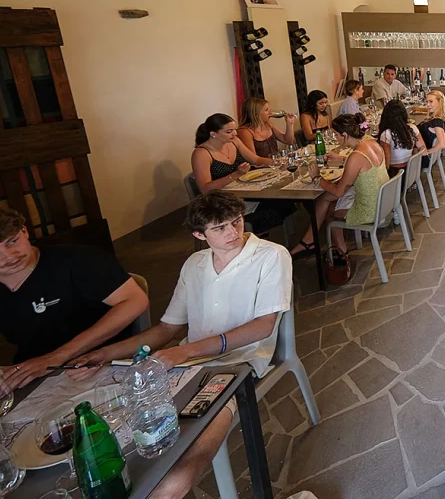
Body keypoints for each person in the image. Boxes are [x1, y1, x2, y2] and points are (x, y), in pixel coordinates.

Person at [70, 191, 292, 499]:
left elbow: (263, 326)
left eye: (236, 221)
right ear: (199, 234)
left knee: (181, 468)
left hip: (235, 367)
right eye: (220, 228)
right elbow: (167, 328)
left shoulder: (270, 255)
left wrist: (185, 351)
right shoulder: (195, 264)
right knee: (120, 423)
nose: (233, 233)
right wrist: (103, 353)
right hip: (187, 364)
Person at [0, 205, 149, 390]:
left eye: (12, 241)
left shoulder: (79, 261)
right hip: (34, 371)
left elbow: (135, 301)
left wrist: (56, 356)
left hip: (101, 361)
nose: (10, 256)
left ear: (24, 231)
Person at [190, 114, 298, 242]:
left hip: (246, 193)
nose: (235, 134)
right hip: (222, 201)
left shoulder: (234, 142)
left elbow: (255, 159)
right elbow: (205, 189)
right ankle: (255, 241)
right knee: (273, 208)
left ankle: (262, 239)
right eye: (229, 131)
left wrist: (278, 162)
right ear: (213, 134)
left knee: (285, 200)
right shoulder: (201, 153)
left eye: (234, 129)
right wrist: (236, 174)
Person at [315, 113, 389, 284]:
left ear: (345, 135)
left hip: (369, 210)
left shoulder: (356, 156)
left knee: (330, 213)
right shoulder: (371, 142)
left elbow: (339, 191)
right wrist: (341, 158)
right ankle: (311, 241)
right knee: (327, 199)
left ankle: (342, 253)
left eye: (336, 134)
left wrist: (317, 178)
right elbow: (361, 163)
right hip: (382, 202)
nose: (335, 138)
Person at [377, 99, 423, 175]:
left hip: (396, 174)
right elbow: (422, 149)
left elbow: (386, 165)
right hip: (411, 171)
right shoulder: (412, 128)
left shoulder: (386, 134)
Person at [417, 90, 445, 167]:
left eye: (431, 102)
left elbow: (442, 144)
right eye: (427, 102)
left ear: (439, 102)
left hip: (424, 158)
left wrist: (428, 151)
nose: (427, 105)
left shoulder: (437, 122)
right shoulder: (439, 117)